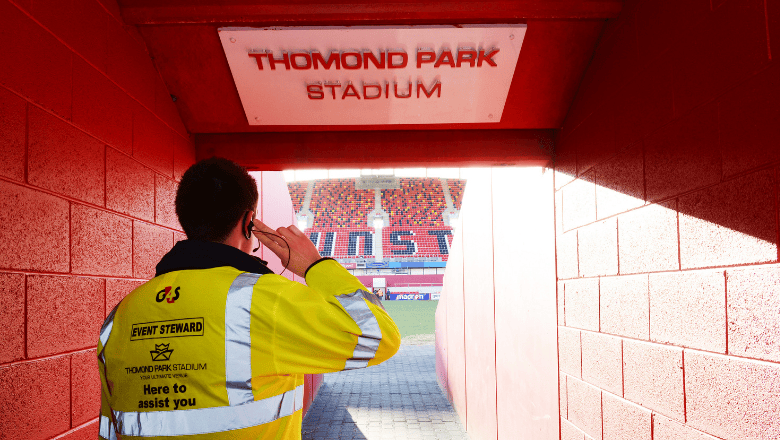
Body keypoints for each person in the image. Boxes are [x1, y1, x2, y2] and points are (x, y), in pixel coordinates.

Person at [97, 158, 400, 440]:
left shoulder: (121, 315)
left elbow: (110, 429)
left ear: (185, 218)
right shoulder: (265, 299)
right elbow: (379, 335)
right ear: (248, 223)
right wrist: (315, 265)